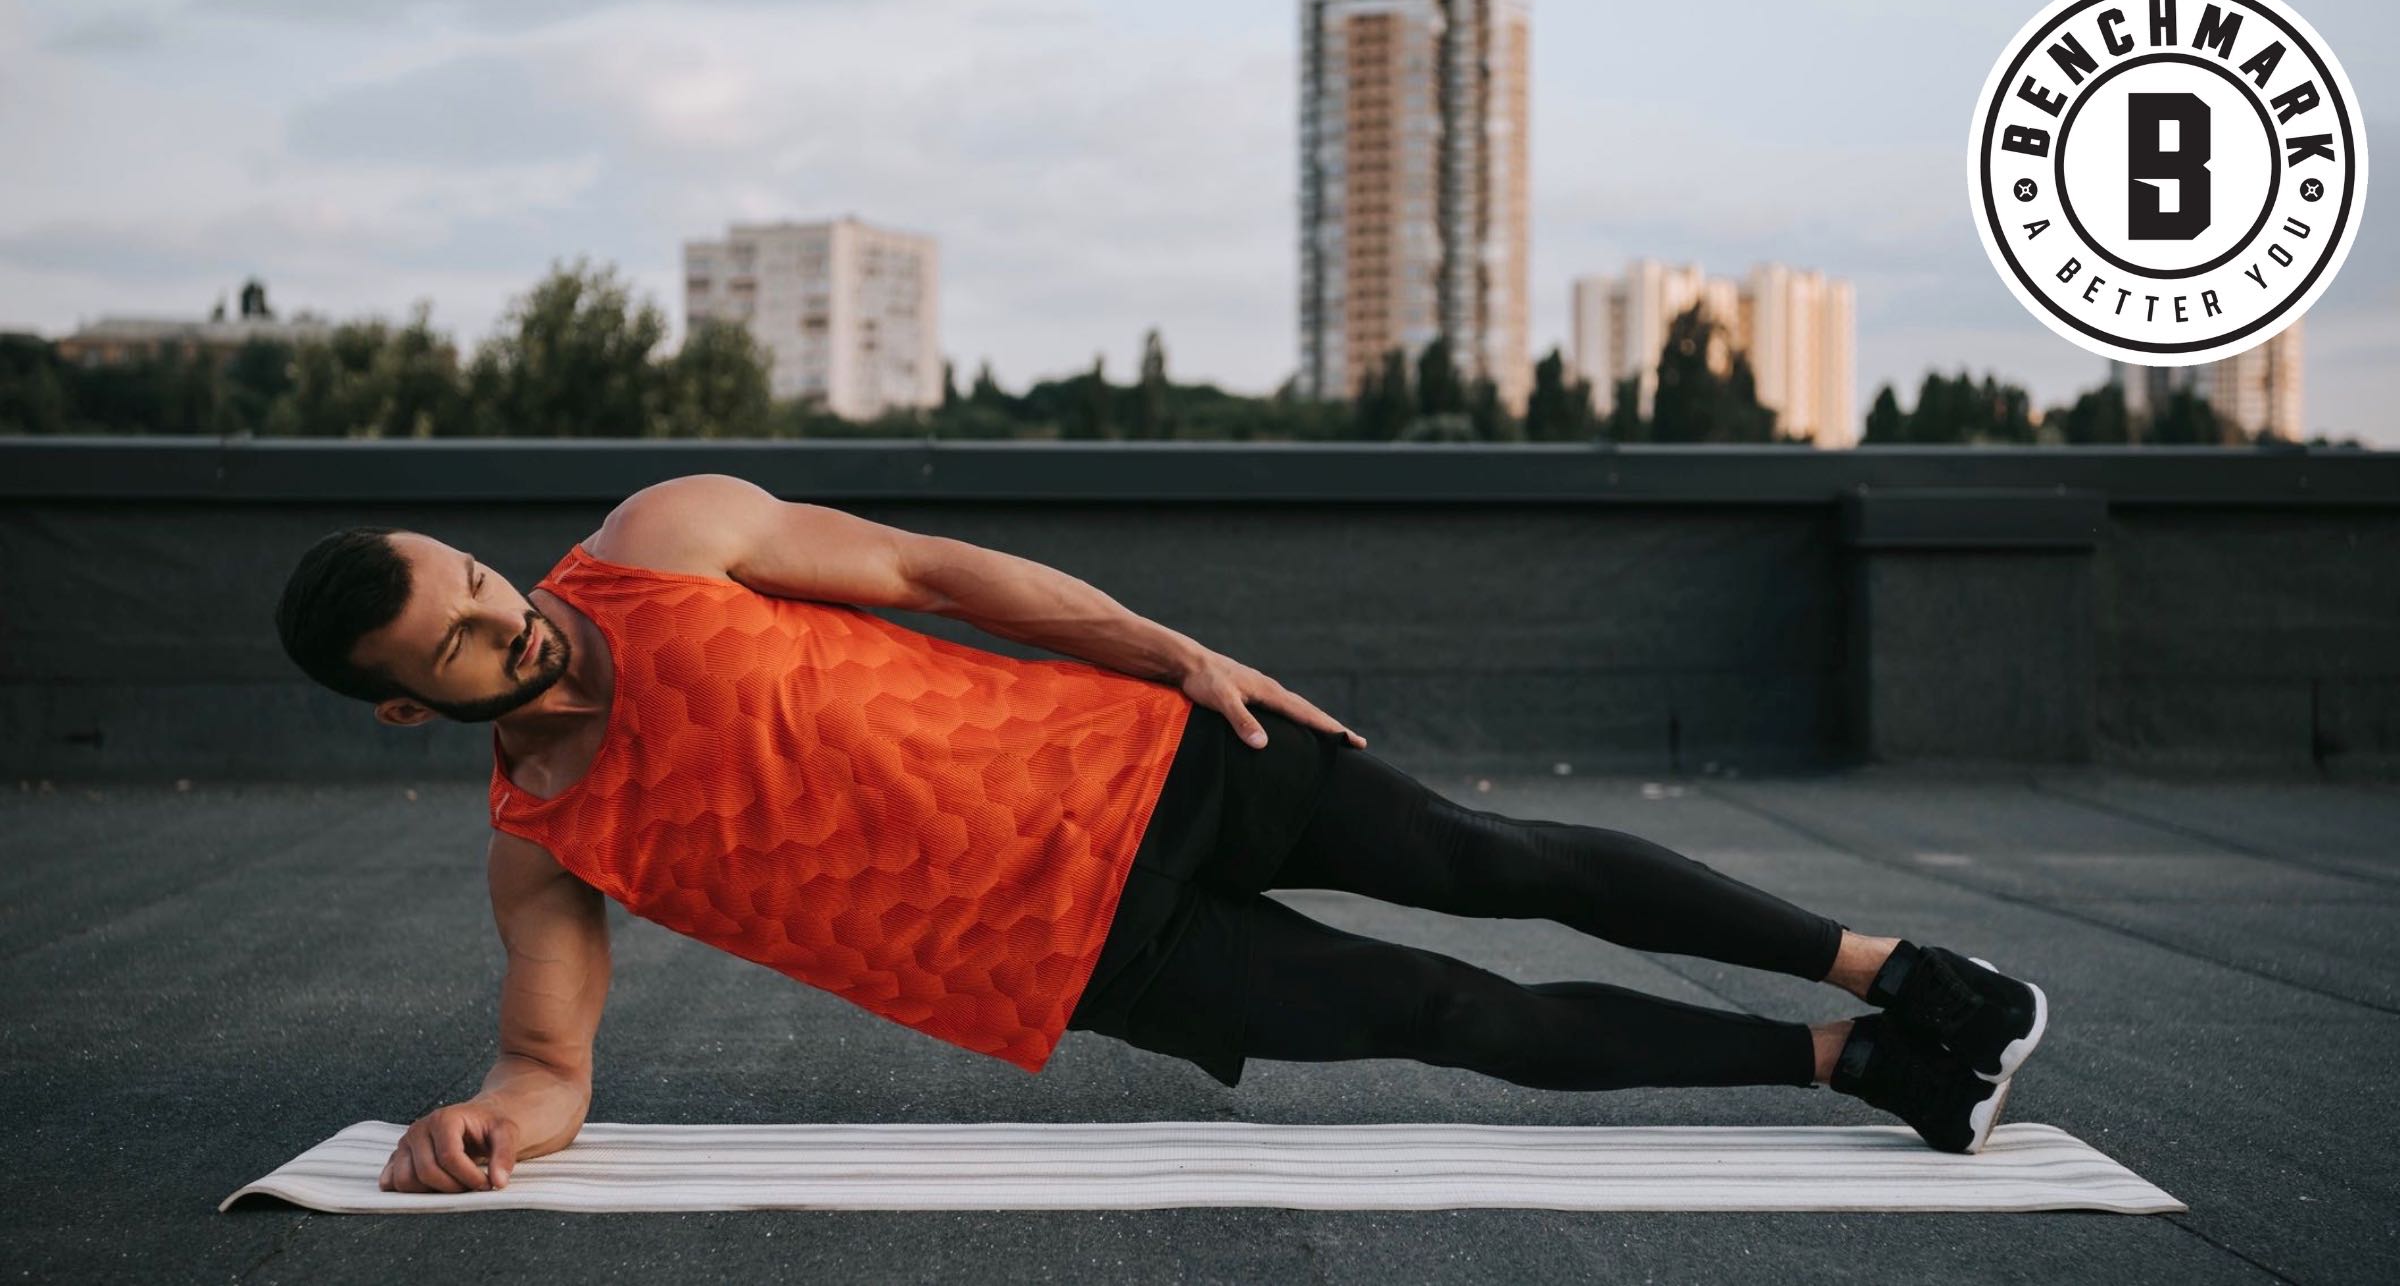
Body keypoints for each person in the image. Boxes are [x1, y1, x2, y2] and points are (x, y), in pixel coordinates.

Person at [273, 473, 2047, 1195]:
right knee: (1456, 1013)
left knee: (1497, 859)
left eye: (483, 583)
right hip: (1098, 952)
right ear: (409, 707)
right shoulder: (546, 839)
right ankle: (1860, 1063)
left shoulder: (661, 540)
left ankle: (1899, 967)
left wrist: (1173, 651)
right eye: (463, 646)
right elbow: (547, 1063)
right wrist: (487, 1125)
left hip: (1152, 759)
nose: (513, 620)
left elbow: (933, 571)